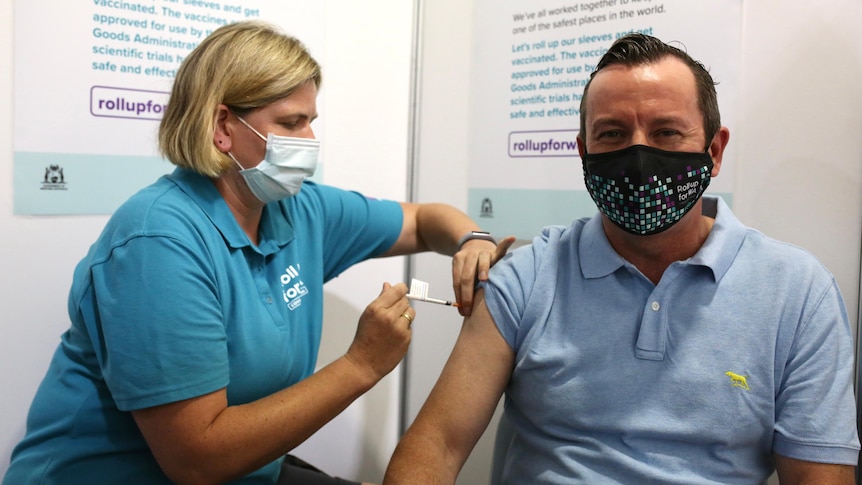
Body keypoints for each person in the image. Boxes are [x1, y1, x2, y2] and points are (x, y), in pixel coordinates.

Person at [2, 21, 513, 485]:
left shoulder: (298, 209)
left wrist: (472, 240)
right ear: (223, 126)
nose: (309, 141)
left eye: (311, 120)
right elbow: (197, 460)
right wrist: (361, 364)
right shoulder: (159, 244)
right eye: (291, 123)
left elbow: (425, 220)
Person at [383, 33, 860, 484]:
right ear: (583, 152)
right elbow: (437, 446)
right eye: (611, 134)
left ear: (713, 151)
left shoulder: (797, 292)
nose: (638, 156)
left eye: (667, 132)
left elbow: (817, 475)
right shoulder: (528, 277)